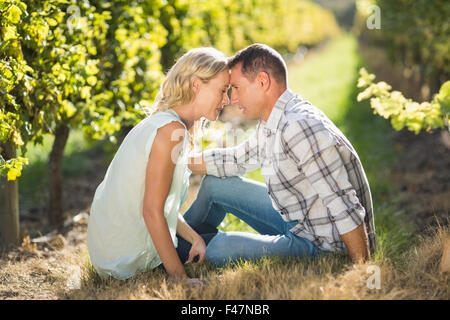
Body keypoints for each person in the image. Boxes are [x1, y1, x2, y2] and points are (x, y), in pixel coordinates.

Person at [187, 44, 376, 267]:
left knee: (219, 249)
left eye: (236, 88)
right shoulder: (272, 119)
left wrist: (362, 270)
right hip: (299, 220)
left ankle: (195, 250)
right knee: (213, 186)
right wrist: (177, 161)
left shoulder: (298, 127)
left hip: (322, 244)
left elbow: (344, 205)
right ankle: (171, 248)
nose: (232, 98)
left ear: (262, 82)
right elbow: (238, 159)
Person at [86, 47, 230, 286]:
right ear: (196, 85)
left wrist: (194, 237)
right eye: (222, 90)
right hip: (124, 257)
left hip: (110, 252)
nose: (226, 100)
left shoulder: (167, 124)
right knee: (226, 246)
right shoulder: (170, 131)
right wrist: (181, 280)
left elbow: (161, 206)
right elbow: (152, 212)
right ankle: (293, 247)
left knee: (208, 233)